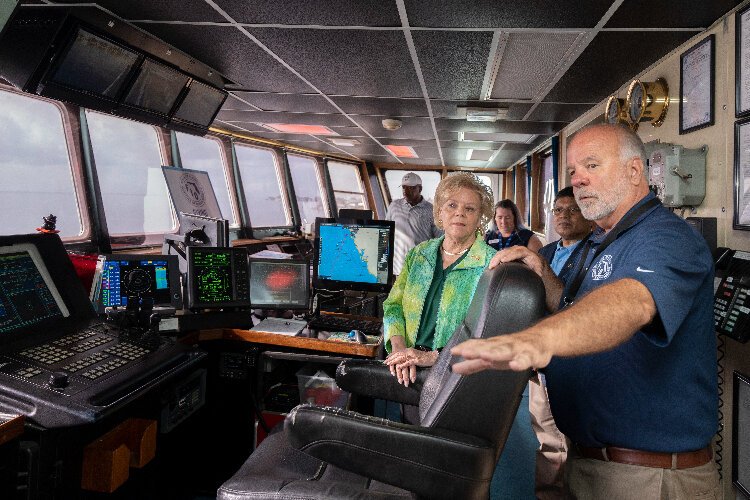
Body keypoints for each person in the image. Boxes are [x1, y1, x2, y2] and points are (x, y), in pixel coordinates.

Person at [452, 123, 720, 499]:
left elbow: (631, 302)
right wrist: (543, 271)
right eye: (574, 171)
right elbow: (577, 306)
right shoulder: (603, 239)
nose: (577, 180)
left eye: (591, 166)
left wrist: (537, 340)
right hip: (593, 463)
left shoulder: (666, 236)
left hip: (645, 476)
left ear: (634, 171)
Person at [382, 172, 495, 387]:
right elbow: (393, 306)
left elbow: (489, 331)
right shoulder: (418, 254)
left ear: (480, 217)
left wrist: (433, 357)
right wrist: (399, 351)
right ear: (440, 212)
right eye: (452, 205)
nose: (459, 213)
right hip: (406, 366)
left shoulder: (492, 264)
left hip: (456, 375)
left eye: (469, 209)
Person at [531, 186, 592, 500]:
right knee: (548, 437)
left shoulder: (597, 251)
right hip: (542, 358)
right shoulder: (546, 252)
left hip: (577, 360)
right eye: (559, 210)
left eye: (574, 210)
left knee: (577, 441)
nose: (565, 216)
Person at [385, 172, 442, 275]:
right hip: (398, 269)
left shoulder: (431, 210)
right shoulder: (394, 206)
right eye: (404, 188)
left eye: (411, 188)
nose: (406, 192)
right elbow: (386, 233)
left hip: (421, 268)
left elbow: (440, 239)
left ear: (420, 189)